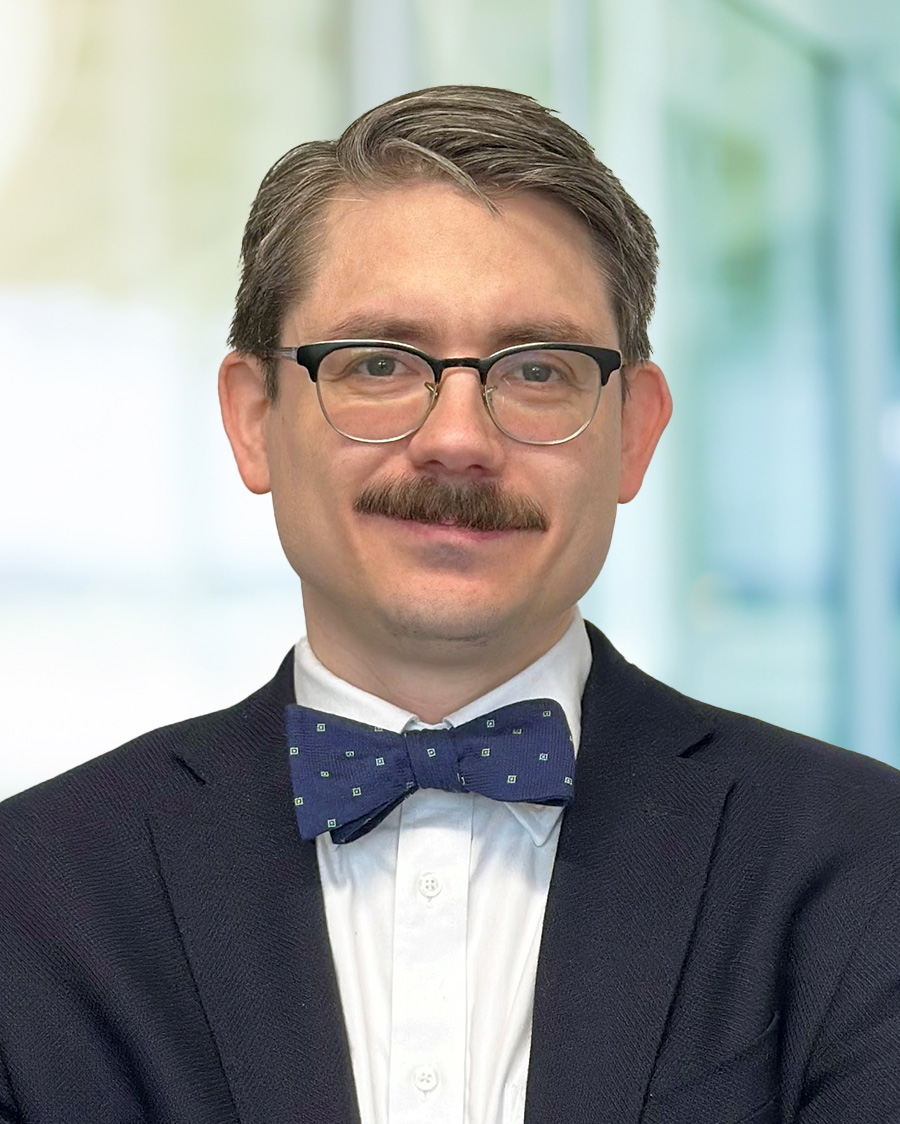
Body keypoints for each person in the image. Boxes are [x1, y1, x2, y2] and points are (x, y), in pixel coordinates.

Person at [0, 85, 898, 1124]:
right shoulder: (30, 896)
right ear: (254, 418)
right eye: (379, 362)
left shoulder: (867, 864)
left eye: (538, 369)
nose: (458, 437)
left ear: (635, 432)